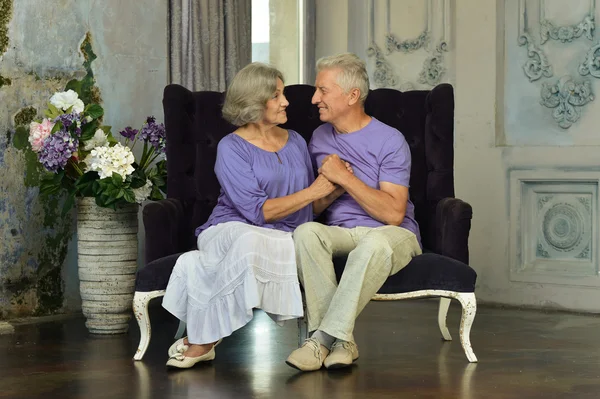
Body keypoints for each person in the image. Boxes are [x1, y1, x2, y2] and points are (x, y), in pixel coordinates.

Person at [162, 62, 340, 369]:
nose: (286, 102)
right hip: (230, 230)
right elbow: (257, 213)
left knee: (259, 244)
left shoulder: (296, 141)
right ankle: (207, 338)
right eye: (277, 96)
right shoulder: (232, 148)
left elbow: (307, 208)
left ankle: (200, 338)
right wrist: (313, 191)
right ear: (254, 102)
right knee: (248, 239)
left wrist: (334, 189)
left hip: (283, 237)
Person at [285, 53, 423, 371]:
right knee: (306, 232)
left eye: (323, 90)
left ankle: (318, 341)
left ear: (352, 96)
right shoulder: (319, 138)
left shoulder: (390, 140)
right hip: (342, 231)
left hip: (393, 235)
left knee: (373, 243)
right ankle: (343, 341)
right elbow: (315, 207)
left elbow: (393, 214)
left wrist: (345, 177)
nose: (314, 98)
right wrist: (329, 189)